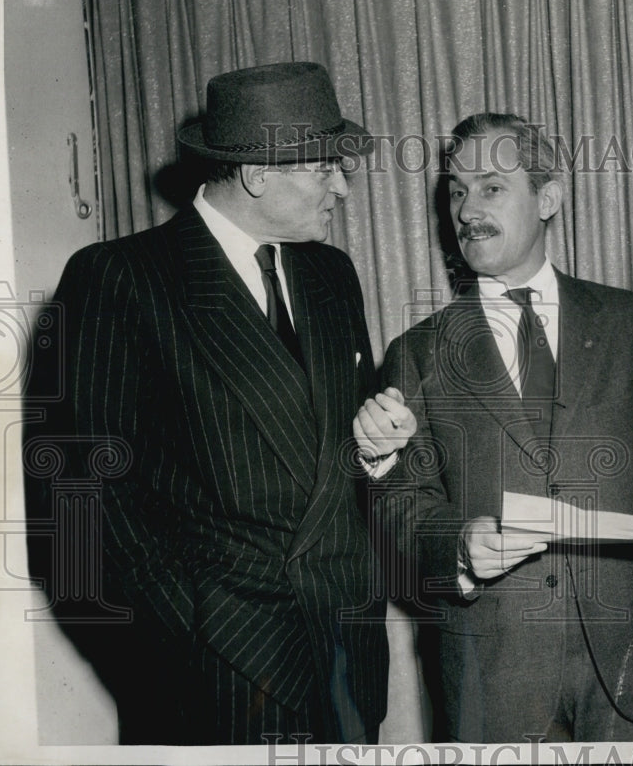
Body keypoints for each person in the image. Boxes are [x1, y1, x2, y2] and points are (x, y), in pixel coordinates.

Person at [23, 61, 415, 745]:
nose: (342, 187)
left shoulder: (331, 272)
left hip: (346, 650)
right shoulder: (122, 276)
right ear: (258, 174)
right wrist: (185, 630)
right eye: (325, 169)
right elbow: (81, 492)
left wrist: (375, 455)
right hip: (216, 665)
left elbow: (326, 457)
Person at [373, 113, 633, 743]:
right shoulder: (416, 354)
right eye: (457, 192)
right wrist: (460, 546)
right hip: (493, 677)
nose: (468, 211)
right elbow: (399, 510)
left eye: (491, 188)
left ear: (548, 199)